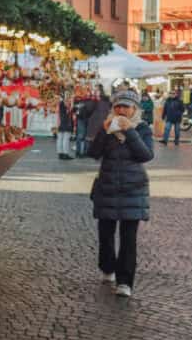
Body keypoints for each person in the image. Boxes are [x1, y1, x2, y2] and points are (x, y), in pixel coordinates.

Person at [89, 89, 154, 298]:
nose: (121, 110)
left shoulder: (142, 128)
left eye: (126, 106)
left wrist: (130, 132)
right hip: (107, 187)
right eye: (118, 106)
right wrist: (102, 132)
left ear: (135, 108)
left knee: (128, 238)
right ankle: (107, 268)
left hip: (132, 189)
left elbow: (145, 155)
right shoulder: (108, 126)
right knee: (105, 234)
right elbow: (93, 153)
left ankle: (125, 282)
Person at [85, 85, 111, 158]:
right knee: (101, 137)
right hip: (104, 120)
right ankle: (101, 153)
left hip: (95, 119)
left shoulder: (94, 99)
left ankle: (93, 153)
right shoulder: (107, 99)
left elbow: (89, 109)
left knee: (93, 138)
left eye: (95, 89)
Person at [56, 93, 74, 160]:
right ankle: (65, 154)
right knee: (65, 139)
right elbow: (69, 111)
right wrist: (71, 104)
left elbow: (57, 113)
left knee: (60, 138)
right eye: (68, 98)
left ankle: (60, 153)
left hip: (61, 122)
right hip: (66, 122)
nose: (69, 99)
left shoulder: (60, 104)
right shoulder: (65, 104)